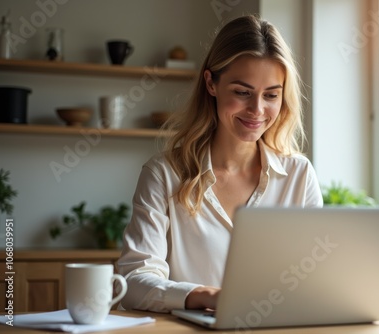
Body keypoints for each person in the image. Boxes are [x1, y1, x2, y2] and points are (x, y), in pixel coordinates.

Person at [116, 14, 323, 313]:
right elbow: (133, 283)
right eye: (242, 92)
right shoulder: (163, 174)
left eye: (271, 95)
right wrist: (205, 296)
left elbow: (314, 277)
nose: (257, 110)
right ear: (211, 83)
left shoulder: (298, 175)